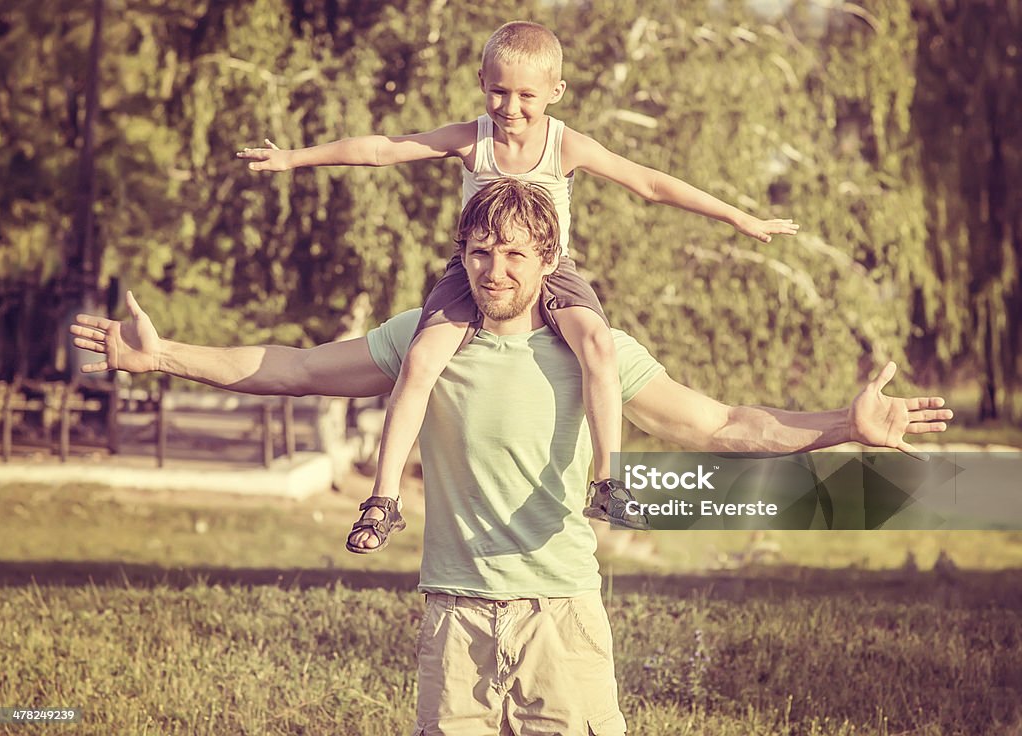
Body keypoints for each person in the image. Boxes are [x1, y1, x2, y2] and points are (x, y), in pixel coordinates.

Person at [71, 180, 951, 735]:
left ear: (549, 262)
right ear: (460, 254)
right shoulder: (426, 339)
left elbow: (724, 426)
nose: (496, 268)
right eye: (481, 251)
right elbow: (294, 370)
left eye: (517, 254)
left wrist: (842, 424)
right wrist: (165, 356)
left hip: (560, 617)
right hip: (454, 619)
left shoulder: (592, 352)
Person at [236, 20, 801, 552]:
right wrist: (293, 159)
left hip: (553, 270)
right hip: (472, 271)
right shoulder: (471, 139)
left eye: (526, 96)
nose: (510, 108)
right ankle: (383, 499)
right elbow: (384, 149)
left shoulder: (565, 145)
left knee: (599, 346)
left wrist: (739, 218)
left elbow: (649, 184)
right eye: (499, 92)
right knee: (421, 357)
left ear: (555, 91)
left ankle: (608, 482)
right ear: (482, 83)